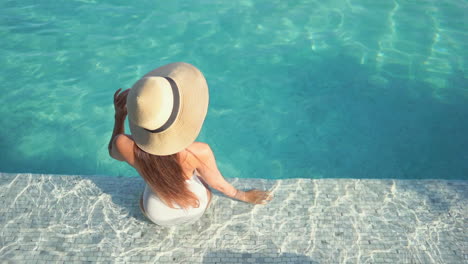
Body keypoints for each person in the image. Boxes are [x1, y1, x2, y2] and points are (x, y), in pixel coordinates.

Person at [107, 62, 272, 227]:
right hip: (195, 208)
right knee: (202, 181)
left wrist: (119, 117)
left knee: (155, 177)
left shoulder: (123, 144)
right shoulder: (198, 152)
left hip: (154, 213)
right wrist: (243, 196)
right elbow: (218, 184)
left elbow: (112, 152)